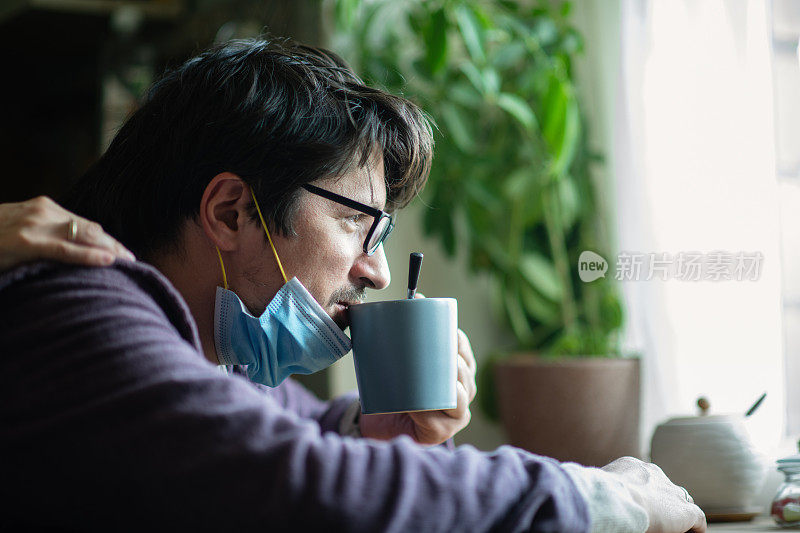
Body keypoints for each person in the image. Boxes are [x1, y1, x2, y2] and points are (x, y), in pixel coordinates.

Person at [0, 39, 705, 532]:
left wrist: (376, 431)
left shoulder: (194, 349)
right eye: (353, 223)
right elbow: (304, 482)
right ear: (230, 211)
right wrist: (606, 500)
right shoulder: (79, 304)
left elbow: (280, 429)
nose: (377, 271)